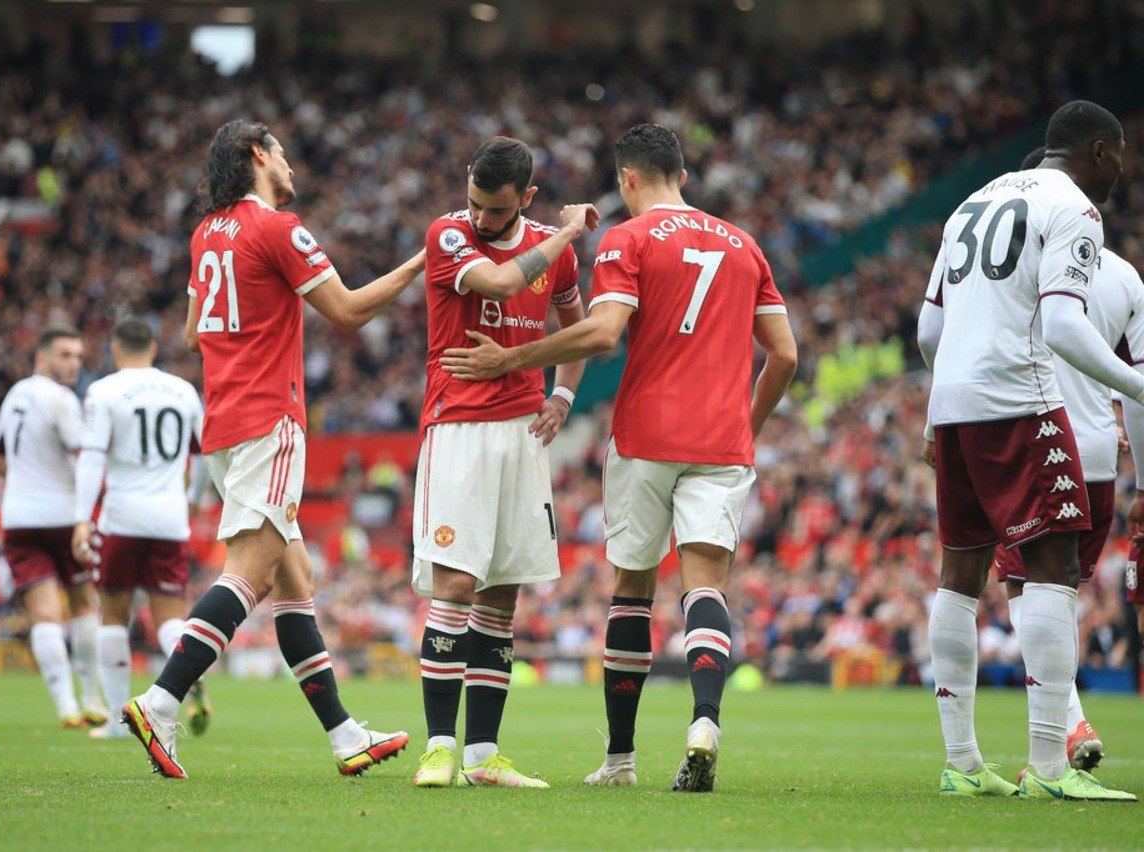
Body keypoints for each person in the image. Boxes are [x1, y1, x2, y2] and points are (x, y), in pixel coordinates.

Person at [441, 123, 798, 793]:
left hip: (646, 435)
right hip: (723, 441)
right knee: (705, 586)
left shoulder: (628, 238)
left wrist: (512, 359)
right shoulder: (744, 244)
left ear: (627, 179)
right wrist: (744, 426)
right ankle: (705, 721)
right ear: (682, 177)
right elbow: (785, 354)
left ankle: (621, 760)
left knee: (633, 589)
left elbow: (604, 333)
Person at [122, 120, 423, 779]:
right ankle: (161, 701)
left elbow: (195, 333)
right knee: (250, 575)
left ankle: (345, 735)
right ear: (258, 155)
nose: (290, 164)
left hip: (224, 424)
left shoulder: (206, 233)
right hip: (269, 418)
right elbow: (347, 311)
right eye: (281, 152)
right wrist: (420, 262)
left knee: (295, 582)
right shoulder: (279, 228)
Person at [917, 100, 1137, 801]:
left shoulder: (969, 203)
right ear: (1099, 151)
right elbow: (1065, 328)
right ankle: (1048, 769)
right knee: (1052, 569)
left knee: (959, 572)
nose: (1121, 172)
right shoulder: (1073, 207)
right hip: (1020, 397)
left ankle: (962, 764)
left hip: (953, 404)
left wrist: (947, 398)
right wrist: (1138, 384)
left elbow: (928, 332)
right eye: (1120, 157)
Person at [409, 136, 596, 789]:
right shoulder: (448, 234)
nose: (482, 218)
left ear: (527, 198)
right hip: (458, 427)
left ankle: (483, 756)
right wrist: (568, 232)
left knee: (501, 595)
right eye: (475, 203)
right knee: (456, 585)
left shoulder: (552, 250)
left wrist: (564, 395)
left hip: (523, 432)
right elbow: (501, 280)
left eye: (496, 208)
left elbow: (578, 327)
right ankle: (438, 750)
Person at [990, 147, 1144, 774]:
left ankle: (1063, 730)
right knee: (1063, 592)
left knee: (1027, 591)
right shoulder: (1126, 277)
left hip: (1038, 445)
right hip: (1101, 456)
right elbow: (1135, 385)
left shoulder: (1013, 268)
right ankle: (1065, 727)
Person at [71, 317, 209, 740]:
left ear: (115, 348)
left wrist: (81, 519)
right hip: (170, 518)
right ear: (153, 348)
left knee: (113, 616)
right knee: (169, 615)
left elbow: (92, 457)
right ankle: (190, 668)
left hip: (122, 518)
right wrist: (193, 498)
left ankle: (118, 721)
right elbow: (204, 453)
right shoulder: (183, 391)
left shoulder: (104, 391)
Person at [0, 327, 106, 728]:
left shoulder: (15, 395)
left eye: (78, 356)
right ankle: (91, 698)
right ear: (42, 357)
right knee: (83, 604)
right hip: (63, 517)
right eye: (65, 355)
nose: (74, 364)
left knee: (44, 615)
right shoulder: (61, 399)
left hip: (19, 518)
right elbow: (85, 456)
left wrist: (27, 477)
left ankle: (64, 706)